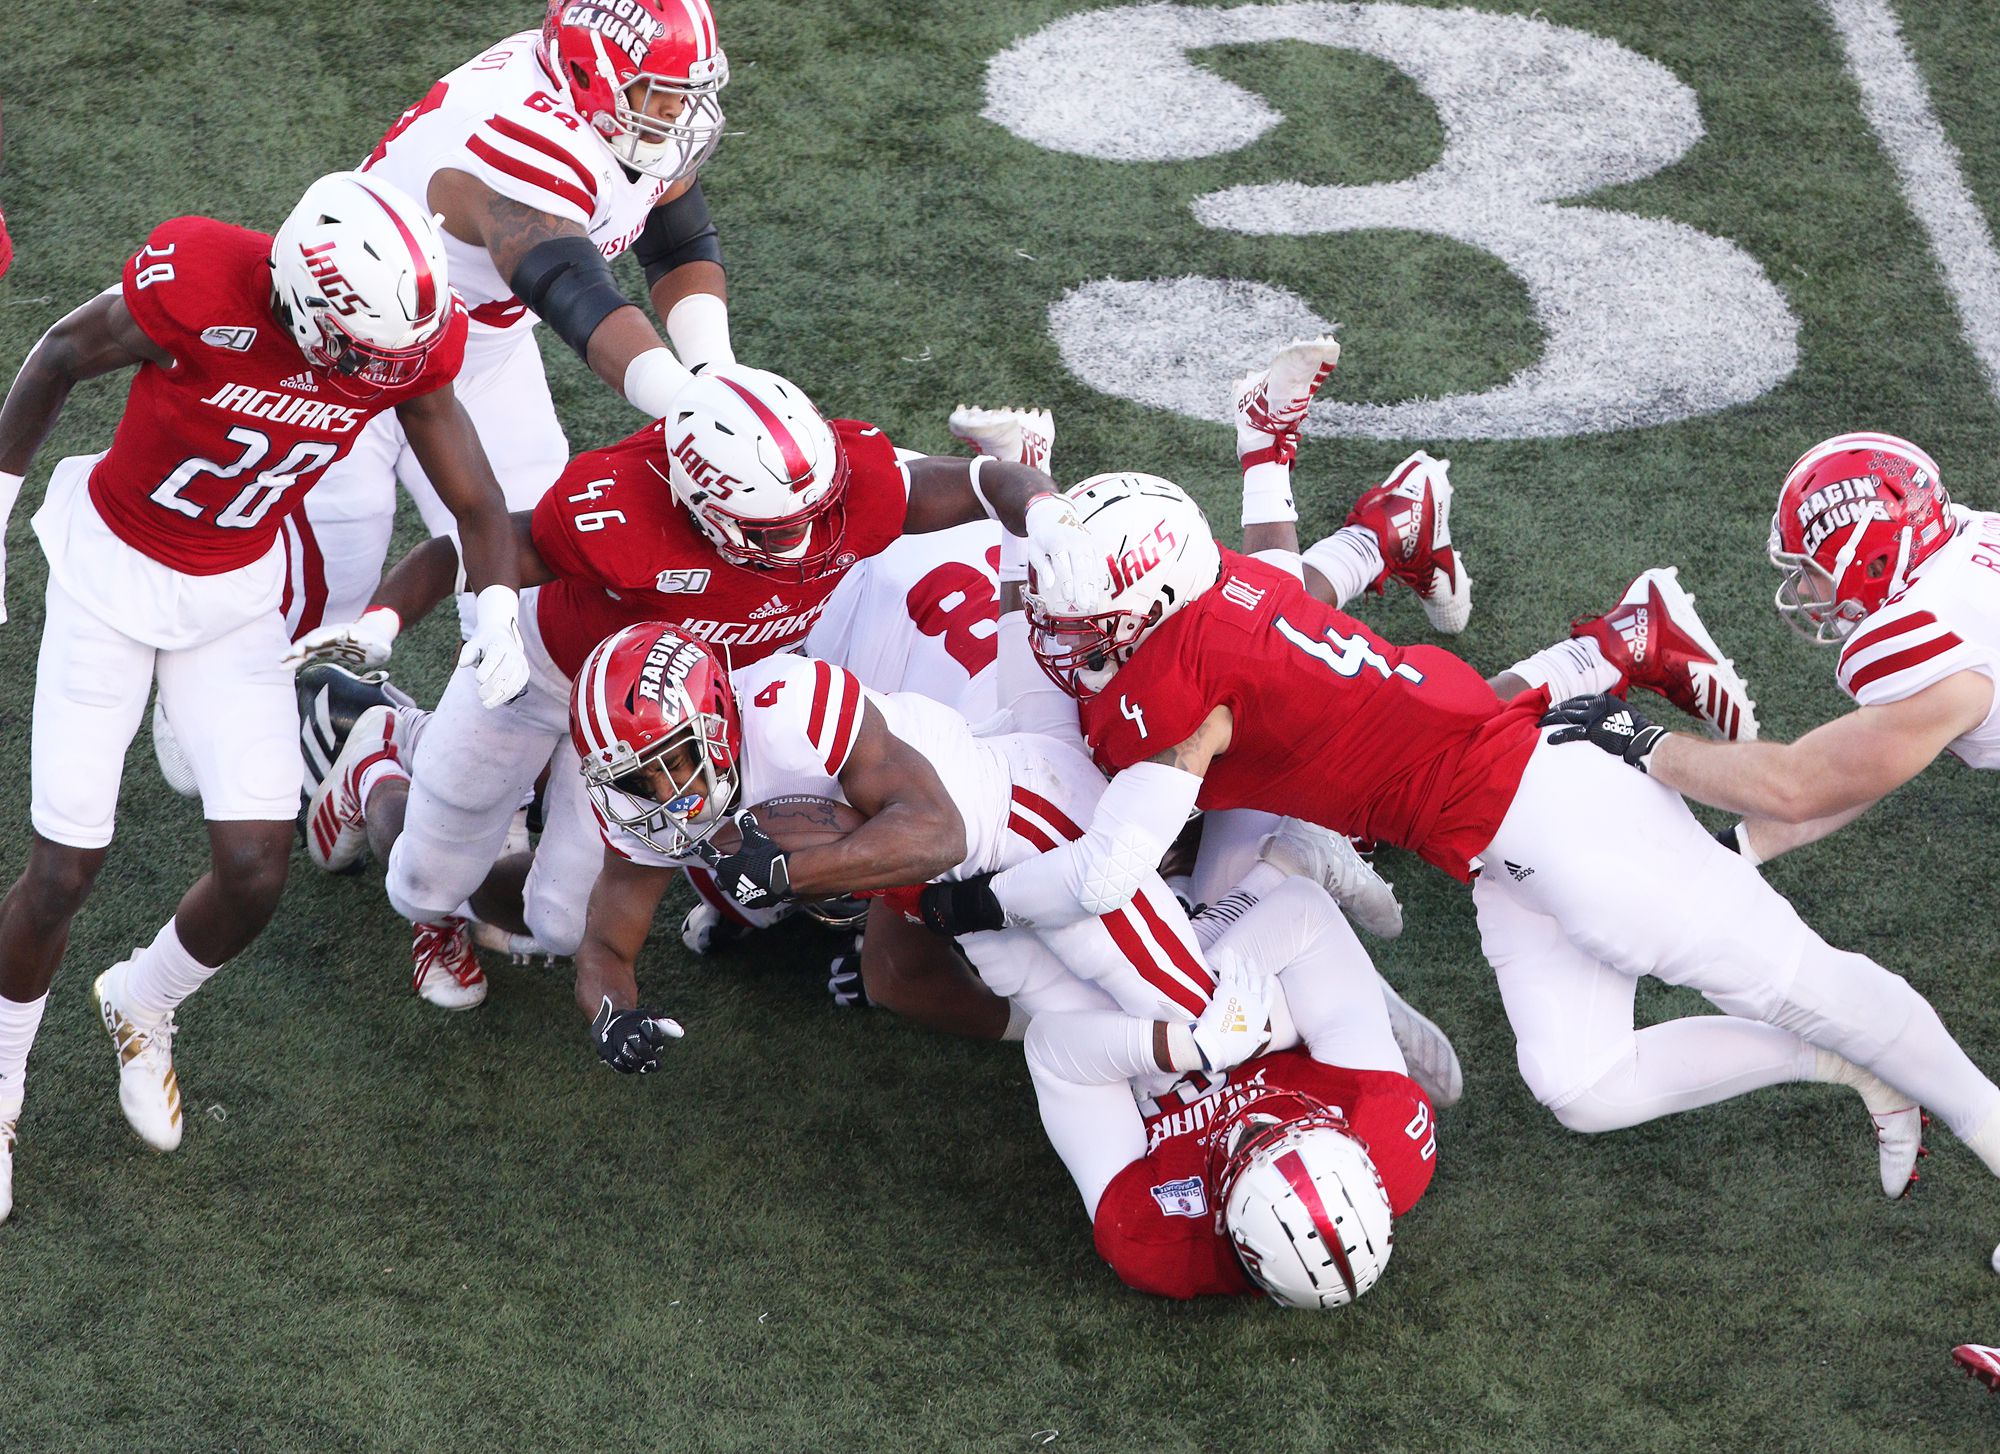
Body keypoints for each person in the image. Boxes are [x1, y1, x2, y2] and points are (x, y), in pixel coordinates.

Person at [912, 355, 2000, 1208]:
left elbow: (1108, 872)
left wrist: (972, 896)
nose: (1064, 630)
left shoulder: (1187, 678)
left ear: (1148, 600)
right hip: (1490, 840)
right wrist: (1031, 496)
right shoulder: (1219, 584)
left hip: (1549, 807)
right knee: (1581, 1083)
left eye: (1082, 614)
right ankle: (1849, 1061)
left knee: (1802, 977)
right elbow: (1071, 539)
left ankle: (1958, 1107)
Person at [0, 172, 523, 1222]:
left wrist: (500, 603)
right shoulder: (201, 276)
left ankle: (142, 1001)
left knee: (254, 866)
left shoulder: (396, 338)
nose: (383, 376)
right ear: (300, 292)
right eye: (365, 349)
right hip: (110, 577)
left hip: (234, 596)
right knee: (64, 866)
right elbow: (60, 353)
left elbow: (472, 493)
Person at [304, 365, 1103, 1006]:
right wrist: (388, 621)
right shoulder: (618, 510)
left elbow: (983, 479)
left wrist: (1043, 514)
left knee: (559, 922)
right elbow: (465, 547)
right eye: (773, 528)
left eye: (814, 511)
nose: (803, 539)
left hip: (665, 717)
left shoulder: (846, 493)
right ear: (696, 503)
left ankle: (461, 873)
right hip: (550, 667)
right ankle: (379, 765)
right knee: (423, 877)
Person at [278, 0, 733, 646]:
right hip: (350, 356)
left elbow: (677, 241)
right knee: (327, 589)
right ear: (592, 75)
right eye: (660, 93)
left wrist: (716, 371)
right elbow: (576, 296)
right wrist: (694, 406)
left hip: (478, 349)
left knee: (535, 587)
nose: (677, 112)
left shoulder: (611, 106)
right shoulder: (524, 130)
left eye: (686, 91)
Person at [1541, 433, 1995, 865]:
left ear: (1876, 562)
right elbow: (1869, 760)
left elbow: (1795, 786)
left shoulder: (1936, 647)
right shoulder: (1965, 537)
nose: (1799, 585)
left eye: (1809, 568)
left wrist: (1642, 742)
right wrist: (1735, 851)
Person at [1025, 878, 1436, 1303]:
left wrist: (1189, 1048)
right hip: (1254, 993)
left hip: (1110, 1037)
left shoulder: (1157, 1239)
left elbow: (1049, 1050)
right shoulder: (1386, 1124)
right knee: (1174, 988)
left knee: (1013, 959)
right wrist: (1211, 1018)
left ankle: (1250, 877)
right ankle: (1274, 891)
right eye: (1289, 1128)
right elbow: (1306, 912)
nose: (1254, 1119)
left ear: (1230, 1227)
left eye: (1249, 1148)